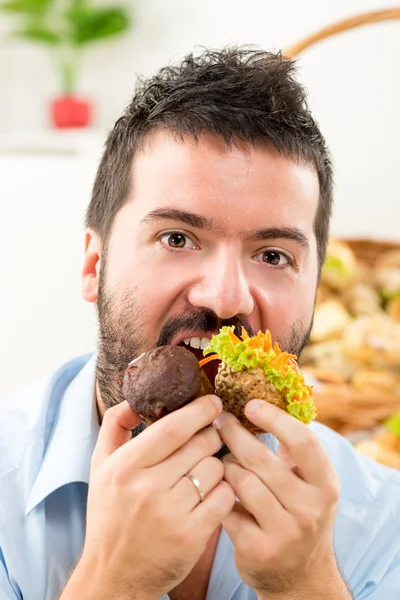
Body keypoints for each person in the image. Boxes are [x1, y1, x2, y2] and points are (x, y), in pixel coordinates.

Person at [1, 47, 399, 600]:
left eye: (273, 254)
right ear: (96, 264)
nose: (227, 296)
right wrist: (116, 582)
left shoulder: (385, 523)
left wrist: (307, 585)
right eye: (177, 239)